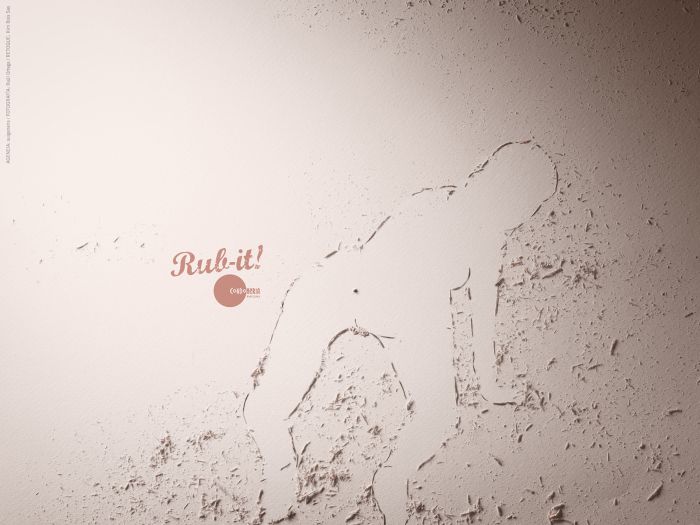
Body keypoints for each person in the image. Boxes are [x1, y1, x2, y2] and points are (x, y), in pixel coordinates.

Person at [244, 140, 557, 524]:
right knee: (266, 407)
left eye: (526, 208)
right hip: (346, 285)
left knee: (440, 416)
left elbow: (481, 312)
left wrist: (489, 383)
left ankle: (391, 479)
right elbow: (399, 276)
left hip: (409, 316)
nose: (516, 215)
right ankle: (279, 477)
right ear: (481, 176)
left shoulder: (488, 240)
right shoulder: (430, 207)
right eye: (512, 198)